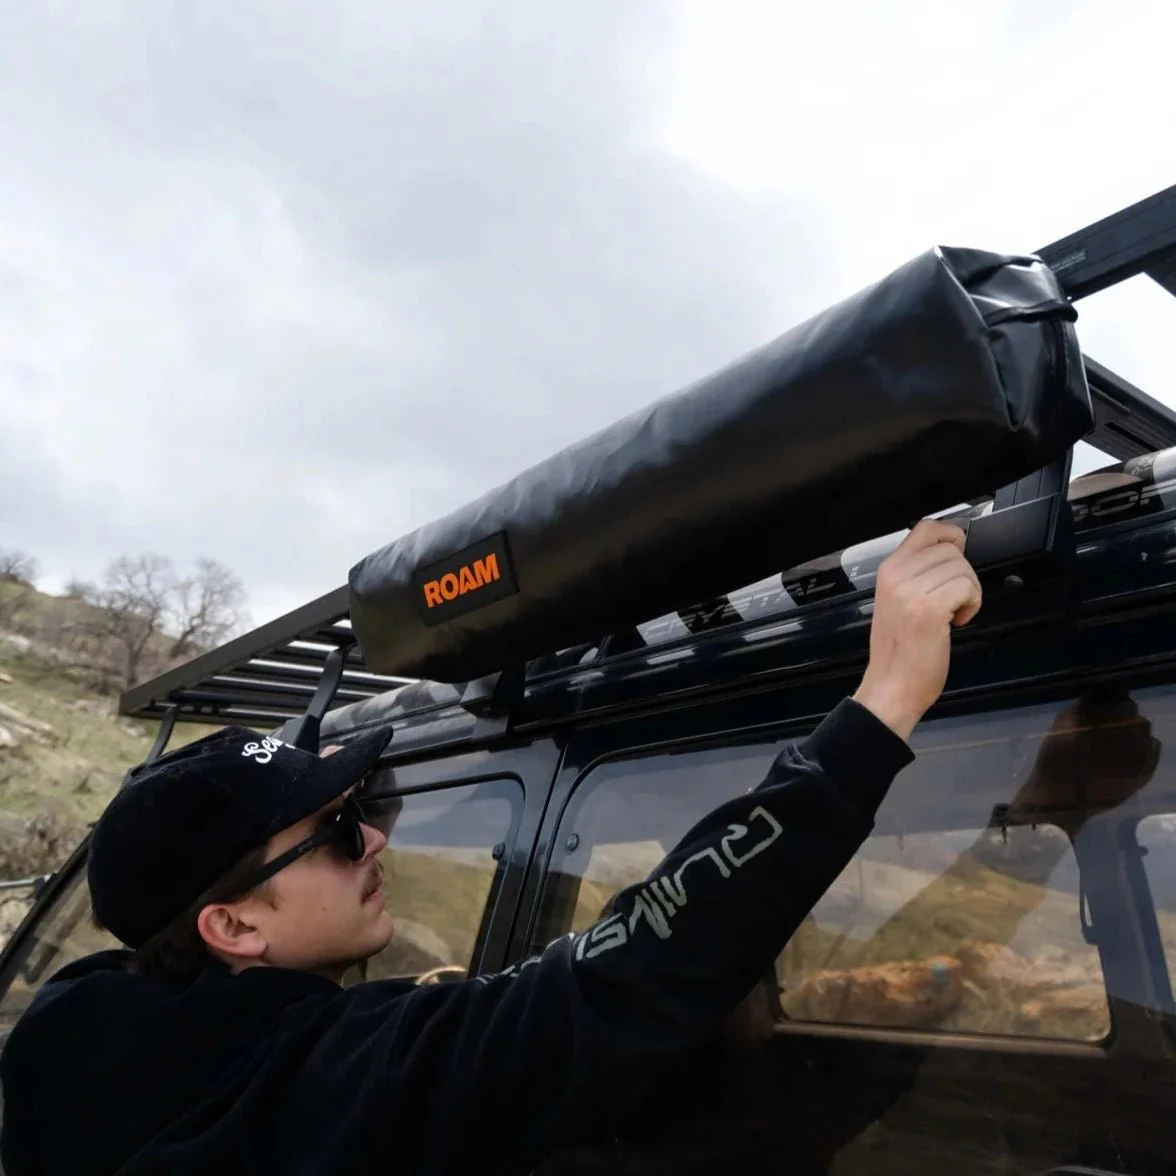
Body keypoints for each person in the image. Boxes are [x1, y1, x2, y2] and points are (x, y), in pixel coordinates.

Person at [0, 519, 982, 1176]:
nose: (376, 834)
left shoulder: (73, 1037)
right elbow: (632, 968)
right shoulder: (339, 1085)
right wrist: (884, 699)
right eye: (338, 831)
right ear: (232, 925)